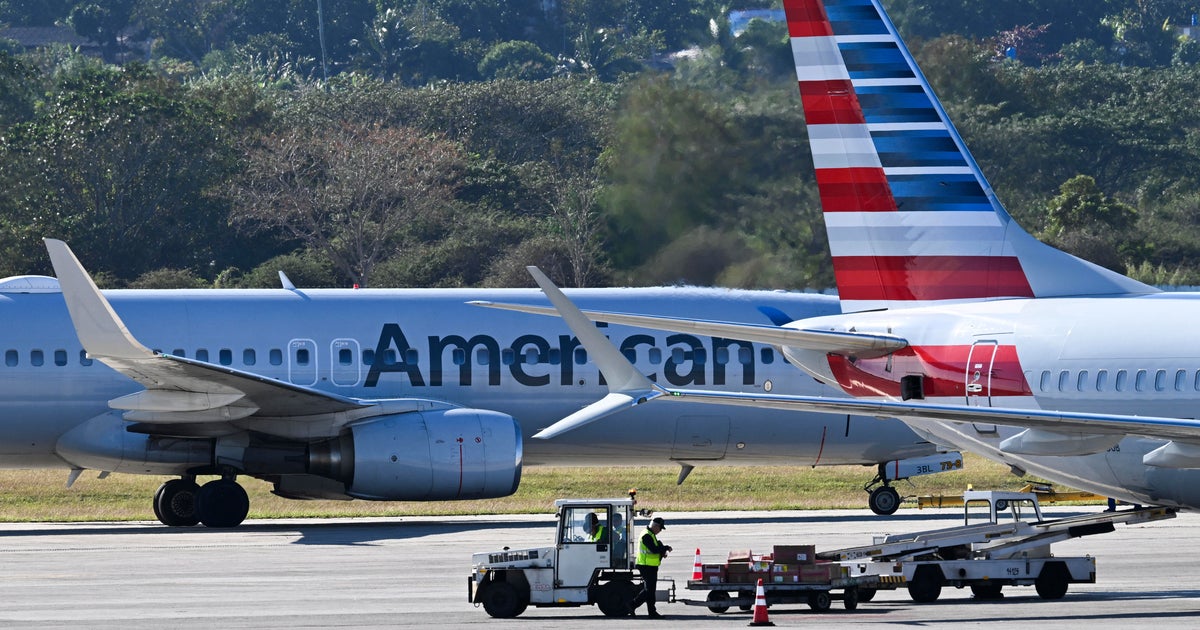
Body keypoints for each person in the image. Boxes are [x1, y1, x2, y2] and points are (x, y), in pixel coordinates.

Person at [628, 516, 672, 618]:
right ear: (655, 526)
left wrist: (662, 552)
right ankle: (633, 605)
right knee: (649, 590)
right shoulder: (646, 535)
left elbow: (655, 549)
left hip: (650, 566)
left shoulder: (650, 534)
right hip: (645, 566)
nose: (660, 531)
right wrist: (665, 548)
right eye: (660, 528)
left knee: (650, 590)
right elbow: (654, 549)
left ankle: (650, 612)